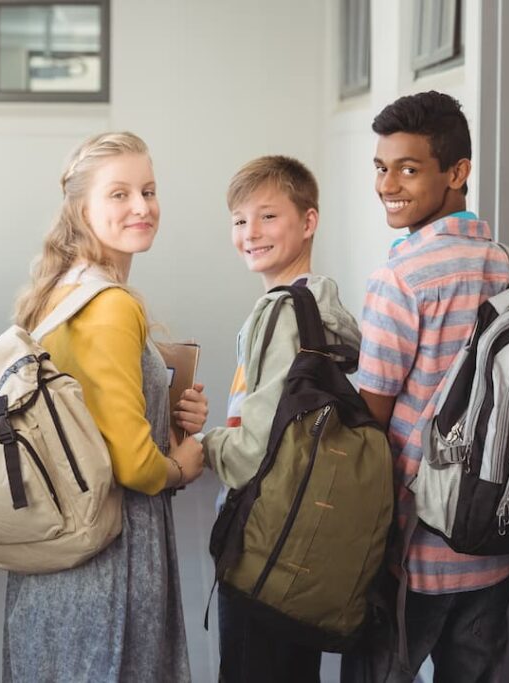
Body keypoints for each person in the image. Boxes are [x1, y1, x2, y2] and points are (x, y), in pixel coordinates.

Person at [5, 131, 208, 682]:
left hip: (53, 551)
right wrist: (185, 464)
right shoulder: (111, 306)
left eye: (149, 189)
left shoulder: (55, 294)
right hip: (111, 556)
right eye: (119, 194)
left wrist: (164, 411)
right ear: (81, 209)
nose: (141, 206)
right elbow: (135, 465)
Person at [341, 91, 509, 682]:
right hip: (490, 540)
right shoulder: (506, 264)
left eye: (408, 169)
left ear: (458, 173)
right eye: (381, 167)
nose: (387, 184)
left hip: (411, 555)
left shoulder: (399, 277)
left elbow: (371, 422)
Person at [202, 156, 362, 682]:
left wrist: (201, 447)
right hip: (303, 543)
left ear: (308, 222)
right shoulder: (319, 308)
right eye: (239, 220)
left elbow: (254, 452)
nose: (250, 233)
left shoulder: (282, 311)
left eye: (268, 217)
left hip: (262, 543)